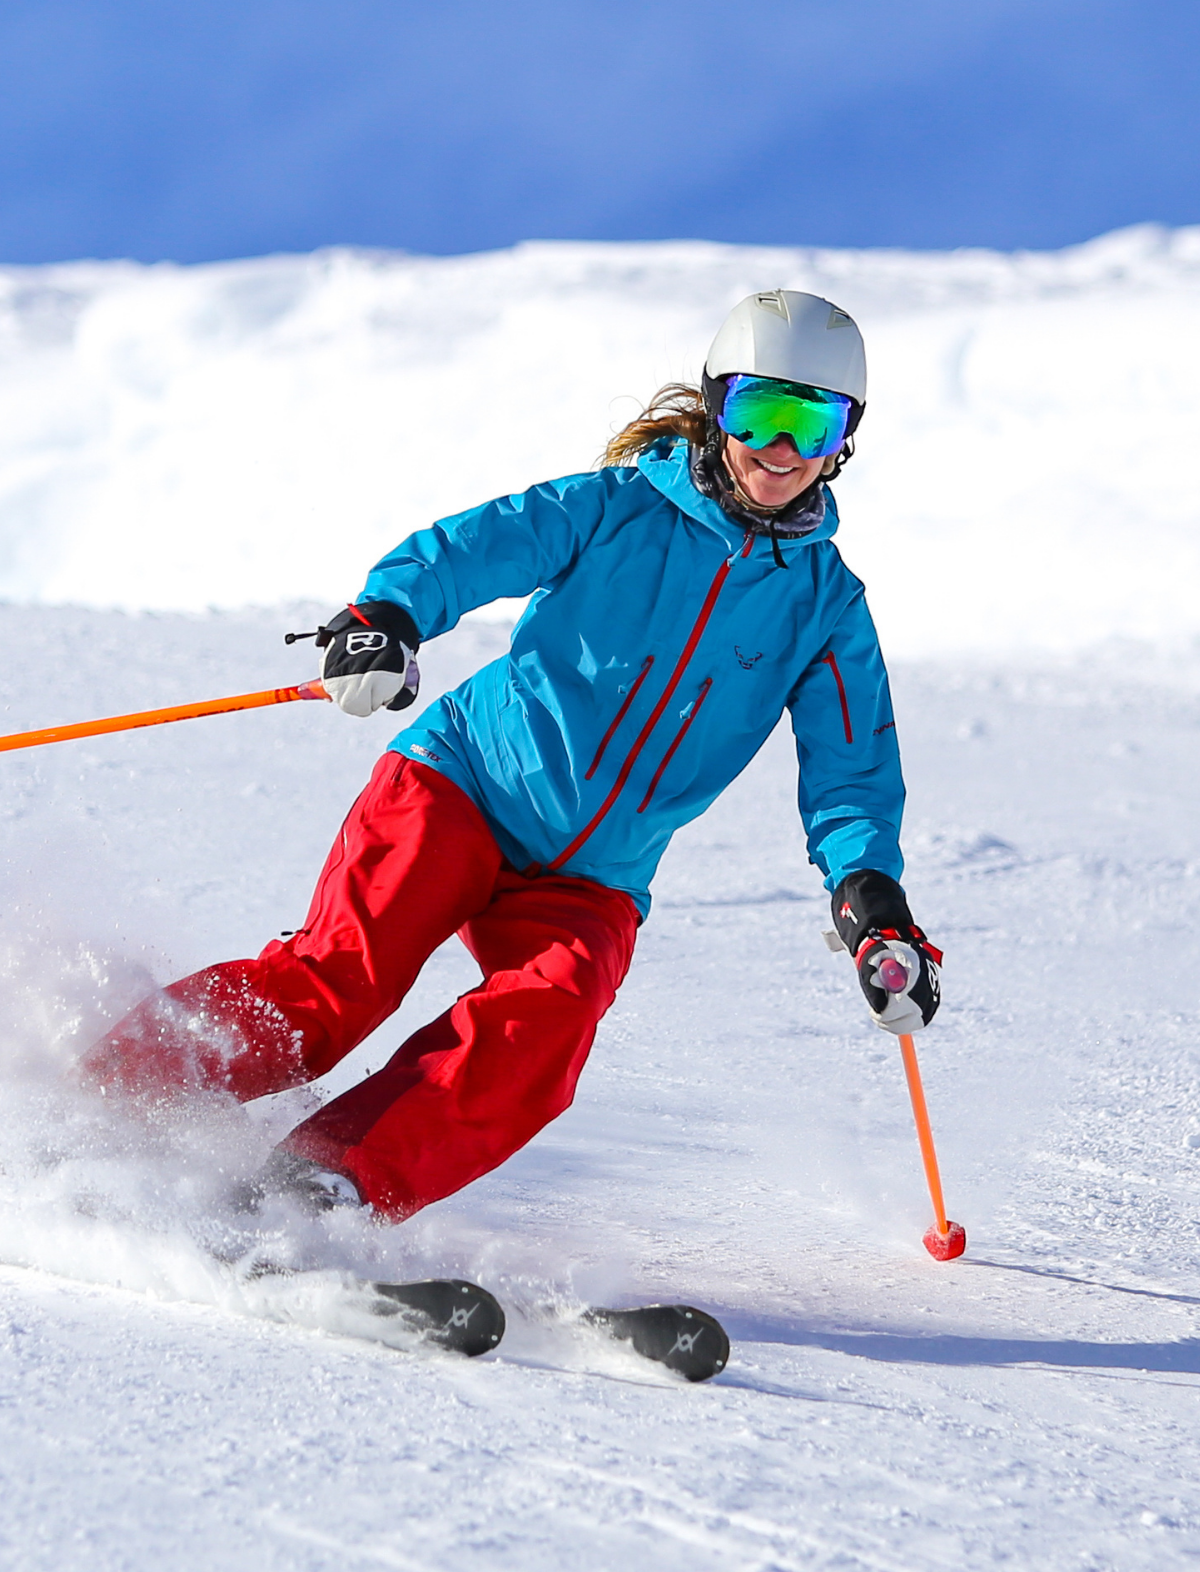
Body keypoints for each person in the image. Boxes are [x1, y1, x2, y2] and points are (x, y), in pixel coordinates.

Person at [81, 289, 943, 1219]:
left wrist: (871, 899)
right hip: (465, 784)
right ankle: (97, 1093)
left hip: (595, 875)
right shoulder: (616, 509)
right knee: (337, 987)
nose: (781, 451)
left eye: (811, 423)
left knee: (543, 1029)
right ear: (714, 406)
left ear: (844, 440)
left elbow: (849, 768)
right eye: (759, 413)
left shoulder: (826, 605)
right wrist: (389, 617)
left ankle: (316, 1192)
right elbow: (474, 548)